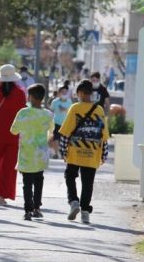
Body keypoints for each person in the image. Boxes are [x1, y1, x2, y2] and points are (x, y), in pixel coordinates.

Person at [58, 80, 110, 224]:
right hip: (92, 153)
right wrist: (104, 154)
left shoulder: (75, 108)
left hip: (75, 152)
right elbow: (103, 136)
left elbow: (66, 132)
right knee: (88, 183)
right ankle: (85, 212)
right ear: (91, 93)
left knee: (70, 176)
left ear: (80, 93)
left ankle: (74, 201)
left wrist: (63, 151)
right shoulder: (99, 110)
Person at [0, 64, 27, 205]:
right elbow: (22, 111)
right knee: (9, 165)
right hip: (13, 132)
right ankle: (3, 194)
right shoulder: (20, 93)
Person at [11, 84, 54, 220]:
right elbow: (51, 132)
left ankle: (27, 210)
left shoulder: (23, 112)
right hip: (41, 154)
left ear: (31, 97)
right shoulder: (48, 114)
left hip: (26, 154)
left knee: (27, 183)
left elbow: (13, 130)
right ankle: (37, 207)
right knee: (39, 180)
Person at [50, 85, 72, 158]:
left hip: (66, 123)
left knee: (65, 139)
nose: (64, 93)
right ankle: (56, 153)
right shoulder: (55, 102)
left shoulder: (69, 102)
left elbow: (71, 113)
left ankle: (63, 153)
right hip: (56, 122)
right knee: (56, 138)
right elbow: (52, 111)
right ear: (59, 93)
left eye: (66, 92)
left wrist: (65, 110)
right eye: (62, 92)